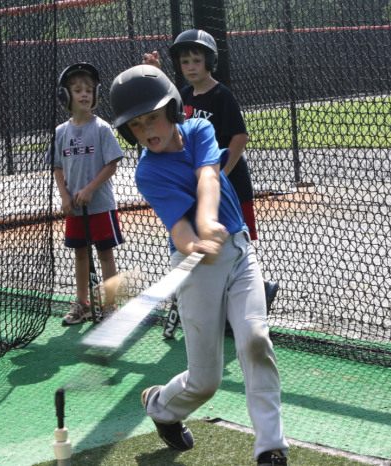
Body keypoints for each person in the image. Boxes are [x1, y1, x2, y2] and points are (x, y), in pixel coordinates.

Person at [109, 64, 289, 466]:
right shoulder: (147, 172)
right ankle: (160, 406)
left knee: (255, 339)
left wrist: (208, 222)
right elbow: (179, 231)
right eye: (136, 125)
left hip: (238, 250)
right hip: (195, 265)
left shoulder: (198, 130)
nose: (147, 130)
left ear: (173, 109)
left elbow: (208, 176)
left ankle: (271, 448)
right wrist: (196, 242)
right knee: (205, 380)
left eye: (152, 117)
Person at [143, 30, 279, 313]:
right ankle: (224, 301)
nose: (190, 67)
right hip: (198, 185)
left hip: (230, 183)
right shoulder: (183, 96)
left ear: (211, 61)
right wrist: (156, 75)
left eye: (196, 60)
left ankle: (257, 289)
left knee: (232, 241)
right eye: (185, 62)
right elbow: (166, 111)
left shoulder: (221, 95)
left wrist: (220, 175)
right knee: (206, 240)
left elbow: (239, 137)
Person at [45, 63, 125, 325]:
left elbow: (112, 164)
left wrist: (90, 189)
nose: (84, 95)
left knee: (105, 254)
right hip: (75, 208)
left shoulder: (101, 128)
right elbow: (58, 167)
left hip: (100, 205)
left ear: (96, 95)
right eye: (78, 90)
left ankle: (110, 305)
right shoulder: (60, 132)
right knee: (80, 253)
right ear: (65, 96)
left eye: (89, 90)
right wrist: (64, 196)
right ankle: (83, 303)